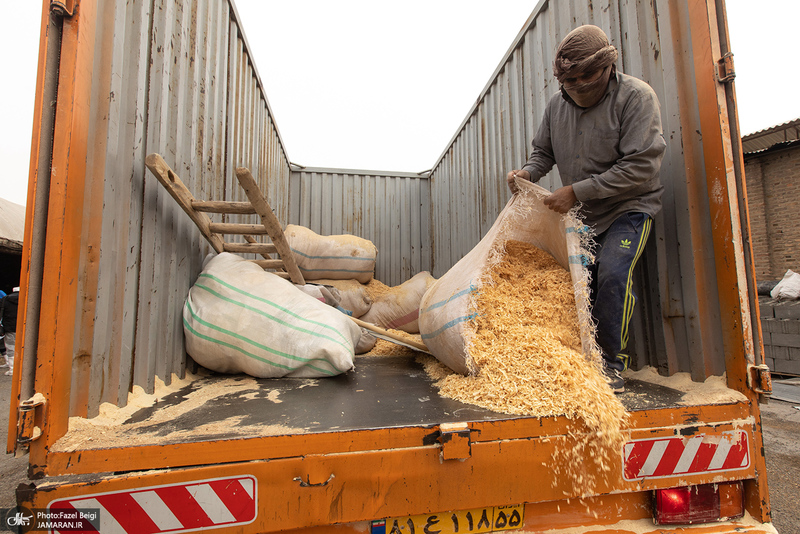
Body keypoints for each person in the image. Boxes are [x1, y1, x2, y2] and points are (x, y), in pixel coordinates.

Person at [506, 25, 666, 393]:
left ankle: (610, 363)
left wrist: (576, 191)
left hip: (629, 207)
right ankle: (580, 358)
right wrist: (528, 172)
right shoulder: (556, 106)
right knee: (582, 285)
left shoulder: (636, 97)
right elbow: (543, 152)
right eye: (570, 80)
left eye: (587, 76)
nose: (578, 85)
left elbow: (641, 165)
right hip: (582, 217)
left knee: (612, 275)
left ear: (609, 65)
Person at [0, 287, 20, 376]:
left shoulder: (5, 300)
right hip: (25, 327)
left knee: (11, 347)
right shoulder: (29, 299)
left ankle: (12, 369)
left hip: (10, 328)